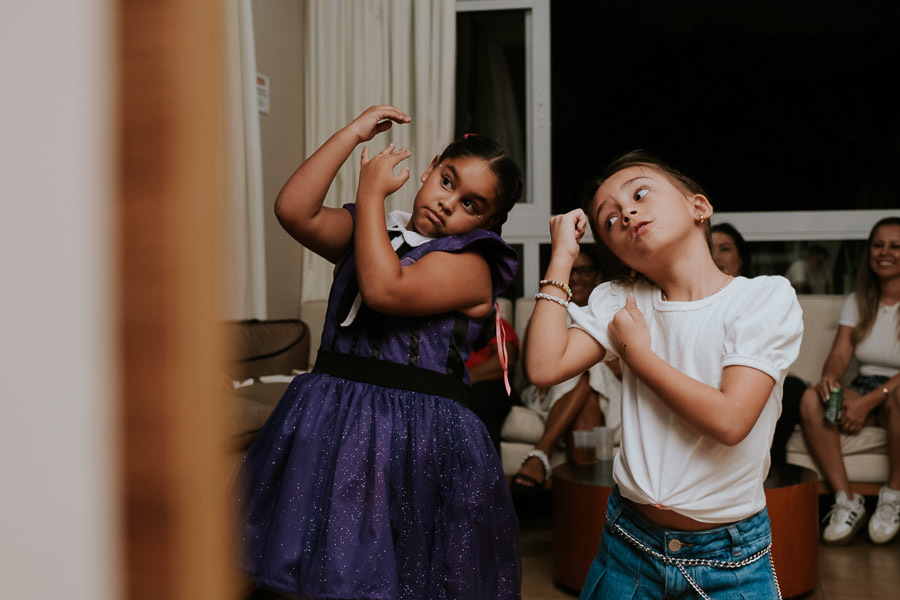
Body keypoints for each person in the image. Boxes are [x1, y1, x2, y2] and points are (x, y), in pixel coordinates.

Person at [232, 105, 524, 600]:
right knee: (316, 565)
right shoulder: (375, 232)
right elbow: (293, 211)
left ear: (488, 224)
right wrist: (353, 134)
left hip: (416, 432)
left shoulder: (474, 265)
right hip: (330, 414)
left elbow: (386, 289)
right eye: (448, 181)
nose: (450, 202)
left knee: (395, 571)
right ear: (430, 167)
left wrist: (369, 193)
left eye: (472, 205)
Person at [525, 150, 803, 599]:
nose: (627, 212)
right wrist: (561, 257)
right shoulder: (620, 299)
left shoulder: (763, 298)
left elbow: (731, 421)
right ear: (619, 255)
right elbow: (542, 367)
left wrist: (638, 354)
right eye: (609, 221)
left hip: (729, 560)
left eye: (639, 193)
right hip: (627, 545)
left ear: (699, 207)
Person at [798, 217, 900, 546]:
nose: (885, 252)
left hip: (895, 392)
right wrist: (830, 377)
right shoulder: (859, 299)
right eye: (878, 245)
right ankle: (847, 500)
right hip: (867, 385)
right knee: (813, 399)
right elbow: (841, 356)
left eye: (895, 246)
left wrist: (869, 402)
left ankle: (892, 498)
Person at [511, 245, 622, 493]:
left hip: (609, 392)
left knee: (589, 372)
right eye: (570, 271)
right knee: (588, 380)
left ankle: (542, 452)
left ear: (597, 276)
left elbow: (624, 367)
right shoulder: (549, 311)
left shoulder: (610, 312)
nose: (574, 278)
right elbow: (534, 366)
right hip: (549, 392)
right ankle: (586, 503)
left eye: (583, 271)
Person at [711, 221, 805, 465]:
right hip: (709, 380)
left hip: (752, 379)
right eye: (708, 248)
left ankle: (772, 464)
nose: (714, 256)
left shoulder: (761, 297)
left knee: (793, 388)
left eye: (724, 249)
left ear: (741, 259)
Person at [465, 313, 519, 454]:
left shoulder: (493, 323)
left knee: (480, 395)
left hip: (491, 390)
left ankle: (488, 472)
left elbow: (504, 362)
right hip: (452, 389)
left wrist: (462, 380)